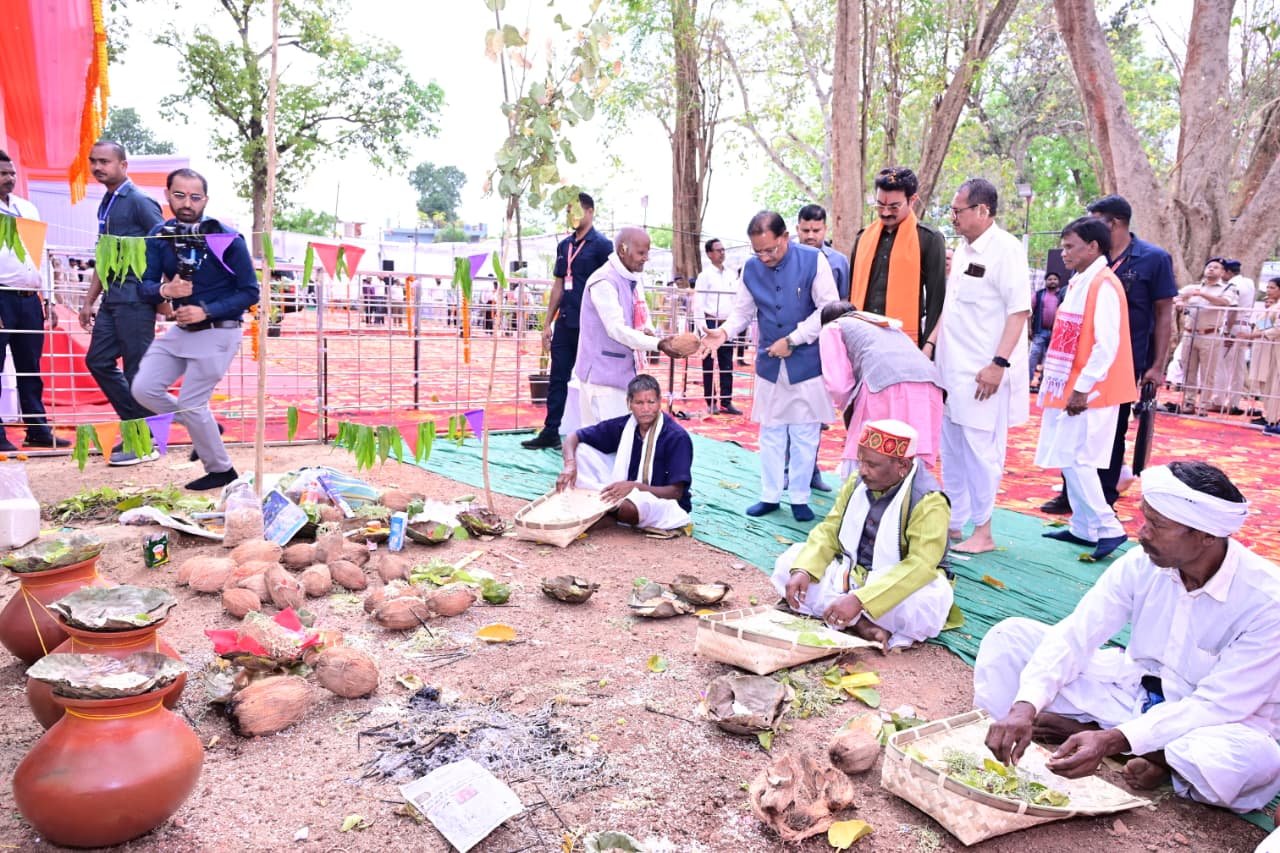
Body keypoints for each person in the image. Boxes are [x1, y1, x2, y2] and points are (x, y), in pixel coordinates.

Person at [975, 461, 1280, 814]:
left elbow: (1217, 704)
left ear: (1206, 536)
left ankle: (1109, 740)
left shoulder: (1267, 601)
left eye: (1158, 525)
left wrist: (1111, 741)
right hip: (1132, 693)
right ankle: (1013, 742)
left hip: (1217, 723)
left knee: (1242, 760)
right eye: (1145, 519)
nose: (1142, 533)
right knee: (1009, 637)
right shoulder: (1141, 563)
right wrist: (1023, 706)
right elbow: (1078, 633)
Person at [1040, 195, 1178, 515]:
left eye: (1094, 221)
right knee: (1075, 433)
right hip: (1082, 362)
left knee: (1110, 434)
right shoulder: (1084, 268)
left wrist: (1157, 365)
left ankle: (1104, 499)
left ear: (1112, 224)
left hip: (1126, 362)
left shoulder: (1152, 258)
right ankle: (1071, 496)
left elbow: (1164, 314)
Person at [698, 210, 839, 522]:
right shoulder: (750, 269)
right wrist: (722, 332)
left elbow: (828, 308)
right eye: (758, 251)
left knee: (804, 432)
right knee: (772, 431)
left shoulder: (813, 261)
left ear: (785, 238)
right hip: (769, 364)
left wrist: (795, 339)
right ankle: (770, 495)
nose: (764, 257)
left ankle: (800, 497)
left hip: (806, 361)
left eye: (770, 250)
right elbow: (742, 313)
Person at [772, 419, 961, 649]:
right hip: (850, 574)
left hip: (894, 586)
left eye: (872, 465)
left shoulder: (929, 501)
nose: (863, 471)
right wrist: (804, 569)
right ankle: (860, 623)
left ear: (902, 465)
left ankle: (849, 613)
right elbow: (830, 530)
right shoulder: (857, 482)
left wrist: (862, 599)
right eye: (860, 461)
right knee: (791, 562)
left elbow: (921, 565)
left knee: (925, 602)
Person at [132, 169, 259, 491]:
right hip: (180, 331)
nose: (187, 203)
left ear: (205, 199)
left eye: (195, 197)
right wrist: (165, 292)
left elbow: (250, 292)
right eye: (179, 195)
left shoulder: (228, 238)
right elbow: (144, 286)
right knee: (143, 389)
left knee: (191, 402)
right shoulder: (160, 235)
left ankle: (221, 470)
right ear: (168, 195)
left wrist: (207, 309)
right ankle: (204, 426)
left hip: (220, 329)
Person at [926, 178, 1030, 553]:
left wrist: (998, 364)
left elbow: (1019, 313)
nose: (953, 217)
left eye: (958, 210)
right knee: (951, 448)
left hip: (982, 374)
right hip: (950, 370)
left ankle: (983, 531)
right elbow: (951, 309)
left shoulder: (1006, 250)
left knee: (981, 452)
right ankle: (955, 522)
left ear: (982, 211)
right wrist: (930, 345)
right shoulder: (965, 250)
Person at [1035, 217, 1135, 560]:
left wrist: (1082, 388)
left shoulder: (1103, 284)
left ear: (1093, 247)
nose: (1063, 254)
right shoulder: (1081, 281)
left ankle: (1109, 527)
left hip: (1092, 390)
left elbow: (1107, 345)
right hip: (1072, 385)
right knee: (1068, 455)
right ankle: (1083, 527)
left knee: (1079, 458)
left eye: (1069, 247)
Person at [76, 141, 167, 464]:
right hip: (113, 299)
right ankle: (138, 433)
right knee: (98, 361)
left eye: (105, 161)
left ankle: (145, 442)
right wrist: (89, 301)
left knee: (136, 371)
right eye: (93, 161)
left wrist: (161, 295)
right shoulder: (107, 202)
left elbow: (164, 247)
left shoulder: (141, 202)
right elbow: (104, 256)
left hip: (137, 300)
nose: (98, 167)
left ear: (123, 165)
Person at [523, 193, 613, 450]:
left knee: (592, 381)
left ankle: (596, 435)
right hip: (565, 322)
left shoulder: (602, 246)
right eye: (568, 212)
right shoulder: (564, 246)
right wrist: (546, 323)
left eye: (577, 211)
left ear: (590, 212)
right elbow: (559, 284)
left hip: (591, 325)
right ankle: (551, 431)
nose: (572, 217)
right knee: (557, 378)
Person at [572, 227, 684, 427]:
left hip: (623, 376)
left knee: (614, 444)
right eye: (641, 253)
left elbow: (641, 318)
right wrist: (658, 344)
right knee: (602, 444)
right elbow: (616, 328)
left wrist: (650, 332)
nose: (646, 258)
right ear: (622, 250)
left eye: (647, 253)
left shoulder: (632, 277)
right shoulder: (603, 281)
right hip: (602, 379)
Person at [818, 301, 943, 479]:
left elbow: (838, 384)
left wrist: (848, 409)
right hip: (929, 386)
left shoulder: (832, 328)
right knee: (912, 457)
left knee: (866, 455)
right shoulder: (882, 323)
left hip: (883, 386)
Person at [555, 373, 692, 531]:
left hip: (662, 503)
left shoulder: (676, 437)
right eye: (639, 403)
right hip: (625, 489)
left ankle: (606, 513)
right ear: (629, 403)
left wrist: (634, 487)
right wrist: (570, 465)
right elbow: (573, 437)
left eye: (651, 402)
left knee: (630, 508)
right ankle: (603, 506)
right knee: (581, 450)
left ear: (660, 402)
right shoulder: (625, 425)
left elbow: (676, 492)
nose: (646, 409)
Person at [0, 150, 69, 452]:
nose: (9, 178)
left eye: (12, 173)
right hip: (1, 295)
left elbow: (40, 255)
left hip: (30, 299)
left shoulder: (27, 208)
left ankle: (37, 428)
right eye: (3, 173)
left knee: (31, 368)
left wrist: (49, 300)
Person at [849, 167, 948, 348]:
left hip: (906, 343)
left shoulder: (929, 239)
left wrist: (928, 347)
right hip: (862, 339)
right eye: (880, 205)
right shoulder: (862, 238)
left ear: (912, 200)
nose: (885, 213)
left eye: (894, 207)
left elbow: (937, 301)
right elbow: (850, 292)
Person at [1175, 258, 1238, 414]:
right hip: (1190, 333)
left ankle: (1203, 404)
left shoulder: (1227, 288)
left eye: (1216, 267)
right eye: (1209, 266)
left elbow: (1225, 303)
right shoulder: (1192, 287)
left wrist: (1202, 294)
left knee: (1207, 372)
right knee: (1189, 369)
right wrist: (1179, 302)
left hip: (1210, 334)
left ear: (1223, 272)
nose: (1211, 269)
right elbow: (1175, 296)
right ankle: (1188, 402)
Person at [693, 238, 742, 415]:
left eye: (723, 250)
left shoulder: (731, 275)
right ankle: (710, 400)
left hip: (726, 323)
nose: (722, 253)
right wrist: (702, 328)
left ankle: (726, 401)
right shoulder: (704, 276)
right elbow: (698, 303)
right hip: (710, 321)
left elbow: (736, 301)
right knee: (708, 362)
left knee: (727, 363)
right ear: (709, 253)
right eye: (718, 250)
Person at [1213, 259, 1257, 415]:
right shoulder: (1249, 283)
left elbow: (1232, 309)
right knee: (1238, 367)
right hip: (1245, 325)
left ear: (1228, 272)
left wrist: (1227, 331)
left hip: (1234, 325)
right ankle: (1234, 402)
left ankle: (1218, 400)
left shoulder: (1232, 286)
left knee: (1223, 365)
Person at [796, 204, 851, 300]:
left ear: (825, 229)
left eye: (816, 231)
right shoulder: (787, 259)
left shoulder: (839, 261)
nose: (810, 236)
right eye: (805, 230)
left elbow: (844, 298)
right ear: (797, 229)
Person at [1247, 278, 1280, 434]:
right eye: (1267, 287)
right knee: (1267, 386)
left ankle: (1274, 418)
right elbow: (1262, 326)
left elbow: (1276, 330)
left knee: (1274, 385)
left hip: (1273, 349)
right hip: (1265, 348)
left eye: (1272, 287)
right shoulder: (1274, 307)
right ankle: (1270, 417)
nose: (1268, 290)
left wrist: (1253, 336)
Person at [1027, 272, 1062, 390]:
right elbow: (1029, 312)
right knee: (1033, 357)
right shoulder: (1038, 295)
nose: (1052, 281)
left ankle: (1042, 384)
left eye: (1055, 279)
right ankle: (1027, 382)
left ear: (1059, 282)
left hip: (1055, 333)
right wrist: (1029, 328)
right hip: (1039, 332)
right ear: (1045, 281)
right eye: (1050, 279)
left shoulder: (1062, 295)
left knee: (1049, 360)